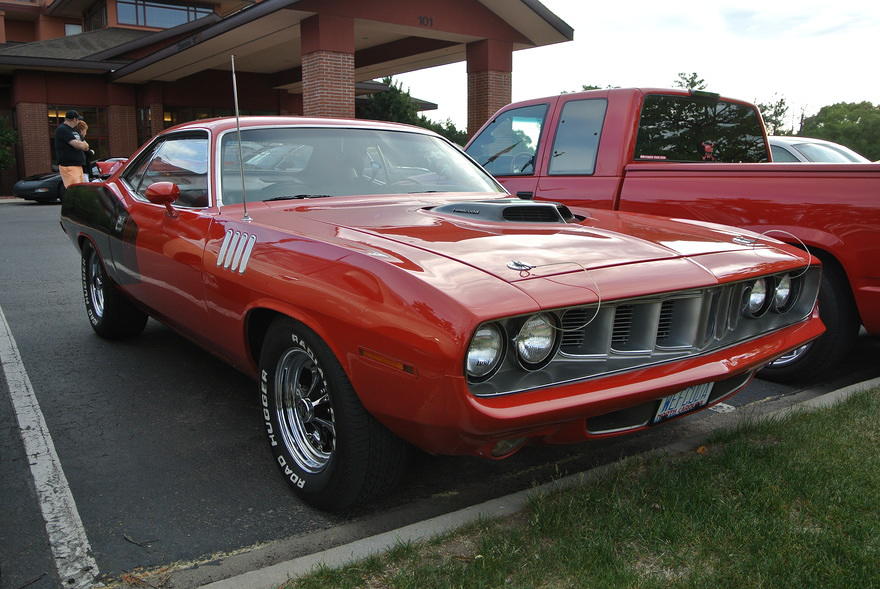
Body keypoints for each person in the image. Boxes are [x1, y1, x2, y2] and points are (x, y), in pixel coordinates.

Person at [54, 110, 90, 187]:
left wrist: (83, 145)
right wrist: (82, 145)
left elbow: (86, 145)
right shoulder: (62, 129)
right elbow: (77, 145)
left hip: (78, 166)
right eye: (78, 119)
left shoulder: (74, 131)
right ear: (74, 119)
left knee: (80, 190)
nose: (78, 121)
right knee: (74, 190)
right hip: (69, 166)